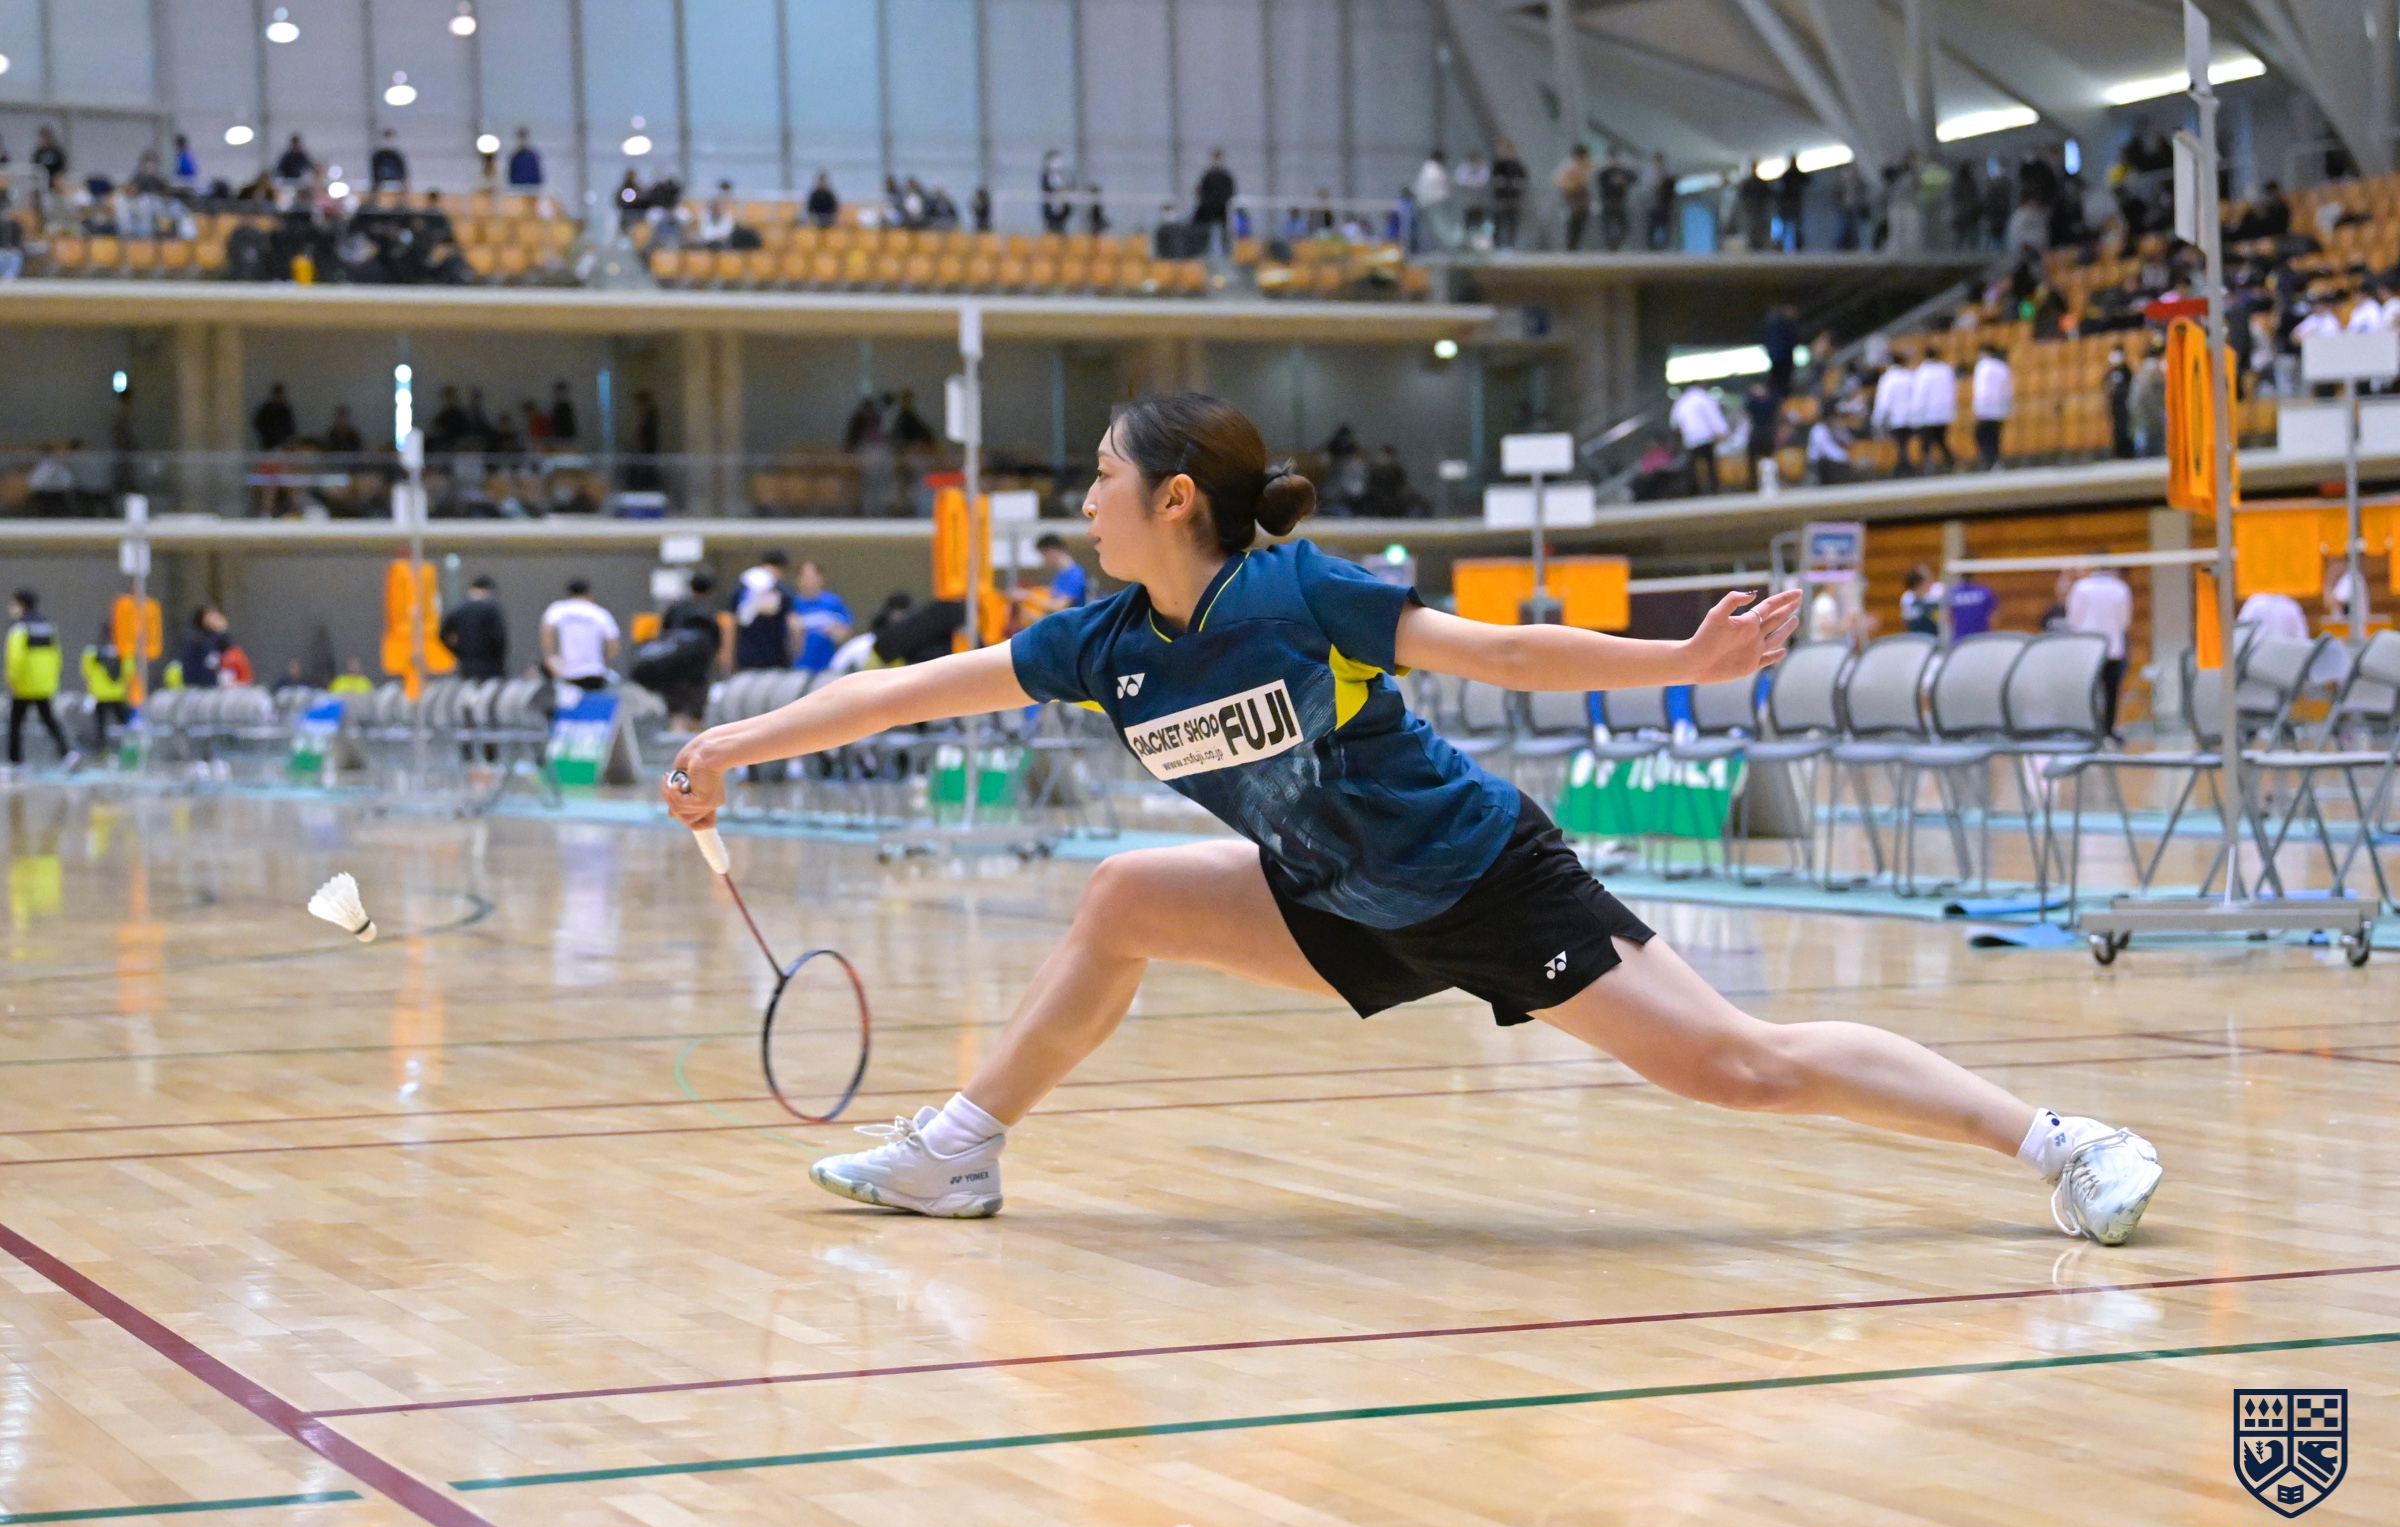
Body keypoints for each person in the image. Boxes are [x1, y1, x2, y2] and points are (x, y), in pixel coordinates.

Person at [661, 390, 2165, 1243]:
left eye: (1104, 479)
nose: (1087, 502)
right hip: (1332, 898)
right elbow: (905, 693)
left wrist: (1683, 663)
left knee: (1739, 1068)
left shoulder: (1299, 593)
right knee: (1123, 897)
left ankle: (2062, 1141)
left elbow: (1501, 655)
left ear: (1176, 499)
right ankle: (961, 1149)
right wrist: (733, 741)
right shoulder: (1103, 642)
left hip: (1480, 878)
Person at [646, 568, 724, 731]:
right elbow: (716, 642)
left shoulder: (675, 608)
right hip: (697, 670)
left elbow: (662, 636)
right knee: (696, 715)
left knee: (677, 715)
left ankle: (676, 741)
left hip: (672, 667)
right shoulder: (708, 612)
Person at [2062, 564, 2134, 737]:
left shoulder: (2081, 587)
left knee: (2087, 692)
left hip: (2087, 651)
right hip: (2113, 649)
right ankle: (2108, 732)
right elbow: (2124, 621)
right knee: (2111, 694)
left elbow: (2073, 620)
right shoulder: (2120, 588)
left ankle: (2088, 731)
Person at [6, 591, 71, 768]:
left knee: (15, 724)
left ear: (21, 604)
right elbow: (57, 656)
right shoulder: (49, 628)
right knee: (49, 720)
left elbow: (15, 659)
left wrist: (12, 680)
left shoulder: (20, 630)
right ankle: (67, 754)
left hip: (24, 686)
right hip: (44, 685)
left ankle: (15, 761)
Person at [540, 578, 619, 692]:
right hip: (594, 670)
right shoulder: (599, 613)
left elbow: (547, 630)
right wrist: (607, 663)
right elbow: (613, 643)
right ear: (589, 593)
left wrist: (551, 657)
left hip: (567, 670)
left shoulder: (559, 609)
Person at [732, 550, 802, 671]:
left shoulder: (742, 588)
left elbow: (731, 621)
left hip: (746, 655)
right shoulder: (782, 591)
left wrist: (729, 655)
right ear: (781, 569)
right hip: (776, 656)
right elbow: (794, 624)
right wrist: (795, 650)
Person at [441, 575, 509, 681]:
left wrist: (458, 650)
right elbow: (499, 638)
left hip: (467, 664)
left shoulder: (459, 610)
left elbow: (443, 634)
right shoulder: (492, 609)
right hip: (490, 664)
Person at [1012, 531, 1089, 620]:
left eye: (1043, 554)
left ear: (1053, 550)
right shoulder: (1062, 574)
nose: (1043, 559)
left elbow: (1059, 605)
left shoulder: (1073, 574)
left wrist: (1027, 595)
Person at [1668, 383, 1729, 494]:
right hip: (1705, 437)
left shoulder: (1682, 401)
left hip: (1690, 439)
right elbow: (1713, 416)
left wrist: (1682, 434)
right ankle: (1713, 487)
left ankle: (1694, 489)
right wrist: (1722, 431)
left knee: (1693, 465)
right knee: (1710, 464)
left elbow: (1675, 422)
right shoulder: (1704, 398)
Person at [81, 633, 132, 751]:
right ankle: (129, 746)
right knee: (126, 722)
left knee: (100, 725)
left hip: (100, 695)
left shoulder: (93, 653)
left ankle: (102, 748)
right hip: (118, 694)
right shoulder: (123, 652)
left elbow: (86, 670)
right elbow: (129, 671)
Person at [1910, 347, 1957, 472]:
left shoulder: (1923, 372)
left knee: (1927, 441)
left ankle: (1928, 465)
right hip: (1943, 412)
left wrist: (1916, 412)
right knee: (1940, 439)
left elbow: (1920, 394)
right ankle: (1950, 462)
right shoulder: (1945, 370)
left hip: (1927, 414)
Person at [1873, 351, 1919, 474]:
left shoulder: (1888, 379)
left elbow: (1884, 401)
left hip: (1896, 418)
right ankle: (1905, 465)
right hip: (1911, 417)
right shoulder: (1910, 376)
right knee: (1904, 443)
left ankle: (1903, 467)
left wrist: (1878, 419)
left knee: (1901, 443)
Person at [1970, 344, 2013, 469]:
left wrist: (1978, 407)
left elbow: (1981, 389)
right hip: (2000, 407)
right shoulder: (2002, 367)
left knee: (1982, 435)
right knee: (1994, 437)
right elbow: (2008, 389)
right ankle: (1994, 462)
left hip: (1986, 407)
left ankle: (1989, 462)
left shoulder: (1983, 367)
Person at [1488, 138, 1529, 250]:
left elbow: (1523, 180)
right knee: (1497, 222)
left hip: (1513, 199)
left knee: (1512, 222)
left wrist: (1516, 184)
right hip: (1500, 198)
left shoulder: (1517, 165)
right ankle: (1496, 244)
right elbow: (1493, 179)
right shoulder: (1497, 165)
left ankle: (1511, 246)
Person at [177, 605, 230, 688]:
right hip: (201, 686)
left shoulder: (218, 639)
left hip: (212, 685)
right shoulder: (199, 641)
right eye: (212, 616)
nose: (217, 619)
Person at [1552, 144, 1594, 251]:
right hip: (1572, 194)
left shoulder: (1587, 164)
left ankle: (1576, 244)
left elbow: (1591, 175)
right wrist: (1570, 183)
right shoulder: (1569, 164)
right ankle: (1571, 245)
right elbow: (1557, 179)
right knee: (1574, 219)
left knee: (1583, 218)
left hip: (1582, 193)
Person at [1193, 149, 1236, 248]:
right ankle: (1201, 248)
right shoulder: (1207, 175)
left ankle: (1226, 249)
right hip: (1208, 208)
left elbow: (1231, 192)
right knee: (1202, 228)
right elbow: (1201, 191)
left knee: (1225, 230)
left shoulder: (1226, 176)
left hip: (1222, 208)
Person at [1595, 149, 1636, 251]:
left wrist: (1623, 181)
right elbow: (1602, 185)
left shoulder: (1623, 171)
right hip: (1608, 201)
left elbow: (1633, 178)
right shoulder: (1604, 173)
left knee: (1624, 226)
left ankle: (1616, 245)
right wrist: (1613, 183)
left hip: (1620, 202)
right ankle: (1611, 246)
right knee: (1608, 226)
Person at [1805, 411, 1853, 485]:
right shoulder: (1819, 430)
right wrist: (1846, 456)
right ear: (1829, 418)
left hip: (1829, 461)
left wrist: (1840, 430)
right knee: (1839, 464)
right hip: (1817, 463)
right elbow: (1827, 450)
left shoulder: (1834, 428)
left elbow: (1849, 441)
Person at [2103, 346, 2135, 458]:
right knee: (2117, 429)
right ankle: (2118, 452)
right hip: (2115, 404)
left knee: (2126, 428)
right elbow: (2104, 384)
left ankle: (2128, 452)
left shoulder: (2126, 370)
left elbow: (2131, 385)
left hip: (2125, 404)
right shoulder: (2110, 371)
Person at [1898, 564, 1944, 636]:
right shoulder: (1908, 597)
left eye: (1930, 575)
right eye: (1927, 578)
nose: (1931, 579)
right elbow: (1906, 621)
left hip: (1939, 632)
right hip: (1919, 634)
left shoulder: (1939, 590)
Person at [253, 383, 297, 452]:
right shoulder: (268, 409)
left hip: (279, 442)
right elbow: (259, 423)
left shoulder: (284, 408)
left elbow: (289, 425)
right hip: (271, 441)